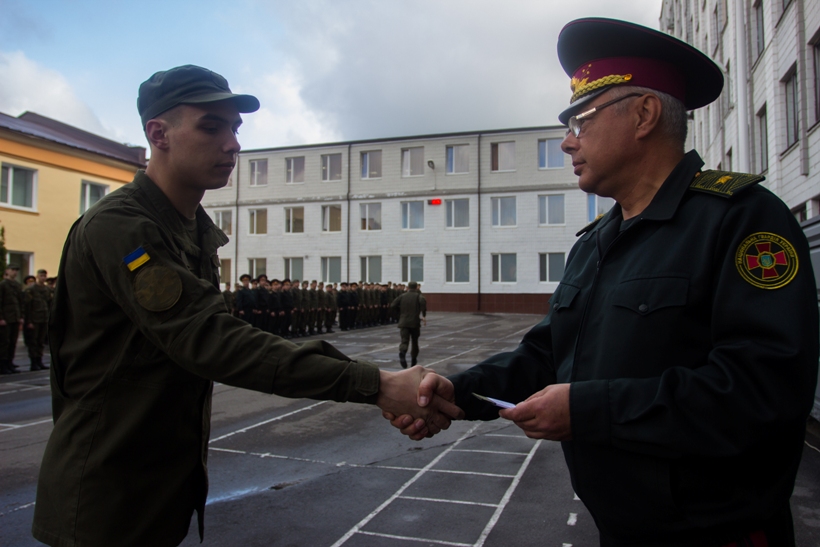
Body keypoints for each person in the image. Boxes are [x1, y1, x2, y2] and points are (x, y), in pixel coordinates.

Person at [387, 18, 819, 547]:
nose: (567, 143)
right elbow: (546, 356)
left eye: (581, 120)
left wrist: (589, 410)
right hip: (618, 528)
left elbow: (764, 391)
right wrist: (458, 391)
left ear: (644, 114)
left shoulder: (741, 219)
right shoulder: (595, 241)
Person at [32, 64, 461, 547]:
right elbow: (211, 340)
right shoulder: (122, 227)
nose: (232, 144)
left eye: (235, 129)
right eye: (211, 127)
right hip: (105, 496)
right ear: (158, 134)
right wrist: (375, 384)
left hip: (156, 488)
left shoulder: (191, 229)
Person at [390, 281, 426, 369]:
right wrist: (423, 315)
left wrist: (400, 314)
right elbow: (423, 305)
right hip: (415, 322)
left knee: (404, 340)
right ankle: (413, 359)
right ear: (416, 287)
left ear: (408, 287)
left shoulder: (402, 296)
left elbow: (393, 305)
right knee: (414, 341)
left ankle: (402, 352)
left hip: (404, 322)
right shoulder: (419, 296)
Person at [23, 269, 51, 371]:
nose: (43, 278)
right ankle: (33, 362)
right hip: (34, 319)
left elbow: (49, 304)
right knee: (33, 342)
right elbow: (27, 307)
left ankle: (39, 360)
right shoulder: (31, 290)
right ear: (37, 276)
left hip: (44, 319)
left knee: (40, 341)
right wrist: (29, 321)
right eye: (41, 276)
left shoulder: (46, 289)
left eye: (44, 276)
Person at [0, 264, 24, 374]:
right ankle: (3, 364)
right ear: (7, 271)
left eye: (16, 270)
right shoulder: (3, 285)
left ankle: (10, 362)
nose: (15, 272)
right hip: (6, 318)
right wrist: (1, 318)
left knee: (13, 342)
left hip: (15, 317)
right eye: (13, 270)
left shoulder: (17, 285)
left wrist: (21, 316)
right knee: (4, 342)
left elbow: (20, 302)